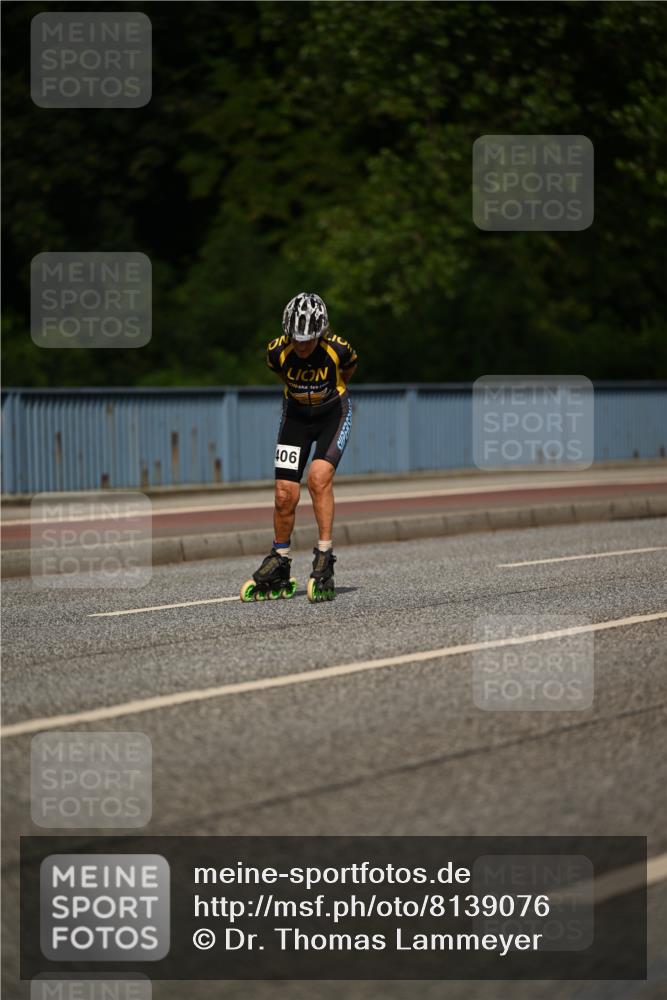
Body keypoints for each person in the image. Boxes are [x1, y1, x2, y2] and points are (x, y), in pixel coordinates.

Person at [240, 293, 357, 603]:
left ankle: (324, 555)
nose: (302, 346)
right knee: (283, 493)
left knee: (318, 478)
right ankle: (280, 558)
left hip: (333, 414)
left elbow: (348, 371)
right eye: (297, 339)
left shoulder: (339, 349)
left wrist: (326, 395)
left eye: (308, 340)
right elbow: (279, 373)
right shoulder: (277, 351)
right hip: (295, 418)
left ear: (321, 333)